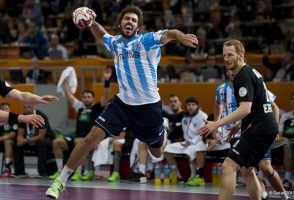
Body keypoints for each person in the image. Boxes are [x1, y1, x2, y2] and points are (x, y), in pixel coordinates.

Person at [46, 5, 198, 199]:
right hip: (122, 104)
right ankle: (60, 181)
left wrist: (181, 36)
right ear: (120, 23)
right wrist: (92, 22)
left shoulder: (146, 41)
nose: (130, 22)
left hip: (148, 106)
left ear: (138, 27)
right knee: (91, 137)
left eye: (134, 20)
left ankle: (164, 129)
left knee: (157, 152)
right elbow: (101, 35)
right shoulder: (116, 43)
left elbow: (169, 33)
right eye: (127, 19)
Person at [199, 39, 278, 200]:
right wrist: (236, 125)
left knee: (228, 167)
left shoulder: (243, 75)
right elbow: (252, 108)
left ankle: (283, 194)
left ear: (241, 55)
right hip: (260, 126)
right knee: (247, 170)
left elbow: (245, 108)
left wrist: (217, 123)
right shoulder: (249, 72)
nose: (226, 58)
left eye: (230, 55)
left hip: (259, 128)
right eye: (224, 55)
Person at [49, 68, 111, 181]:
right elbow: (68, 94)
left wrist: (106, 80)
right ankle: (59, 171)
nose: (87, 99)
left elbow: (106, 96)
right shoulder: (79, 107)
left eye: (89, 97)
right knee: (57, 142)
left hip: (89, 140)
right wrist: (65, 79)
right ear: (82, 98)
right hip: (76, 138)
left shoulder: (97, 108)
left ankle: (78, 172)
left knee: (79, 142)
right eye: (85, 97)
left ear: (93, 98)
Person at [13, 104, 55, 177]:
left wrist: (25, 140)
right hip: (30, 140)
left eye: (29, 107)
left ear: (33, 107)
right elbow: (20, 133)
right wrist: (19, 140)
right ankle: (19, 171)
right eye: (25, 107)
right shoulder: (22, 117)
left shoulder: (41, 116)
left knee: (41, 143)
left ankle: (42, 172)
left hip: (46, 139)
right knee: (16, 143)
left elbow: (41, 136)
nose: (27, 109)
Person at [270, 91, 294, 191]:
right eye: (293, 99)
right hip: (285, 143)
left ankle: (287, 180)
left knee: (287, 145)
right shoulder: (285, 116)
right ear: (290, 102)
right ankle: (261, 177)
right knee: (265, 144)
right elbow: (279, 135)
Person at [0, 103, 18, 177]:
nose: (4, 110)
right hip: (1, 141)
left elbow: (12, 135)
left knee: (7, 142)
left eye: (6, 109)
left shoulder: (13, 119)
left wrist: (1, 138)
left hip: (12, 141)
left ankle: (7, 166)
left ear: (9, 110)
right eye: (3, 109)